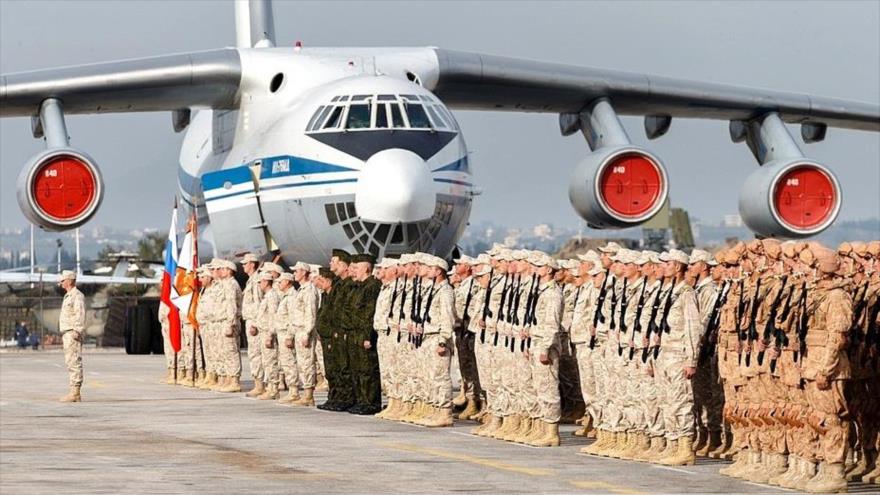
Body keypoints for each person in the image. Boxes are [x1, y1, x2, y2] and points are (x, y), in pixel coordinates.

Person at [344, 253, 383, 415]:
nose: (354, 271)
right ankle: (361, 400)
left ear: (366, 268)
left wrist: (368, 336)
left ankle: (371, 402)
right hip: (355, 332)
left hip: (364, 333)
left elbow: (369, 313)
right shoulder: (360, 286)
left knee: (368, 370)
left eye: (357, 268)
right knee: (358, 369)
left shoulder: (372, 286)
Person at [58, 270, 85, 402]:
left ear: (69, 280)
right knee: (70, 361)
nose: (61, 283)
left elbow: (80, 313)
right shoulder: (68, 295)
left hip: (72, 333)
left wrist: (77, 330)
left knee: (74, 361)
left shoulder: (77, 296)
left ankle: (75, 392)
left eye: (63, 280)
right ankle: (73, 391)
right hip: (67, 332)